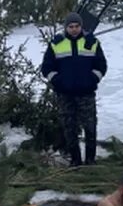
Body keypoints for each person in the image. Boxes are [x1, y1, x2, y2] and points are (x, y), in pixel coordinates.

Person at [41, 11, 107, 166]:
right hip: (65, 94)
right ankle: (75, 160)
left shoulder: (92, 42)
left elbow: (101, 65)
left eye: (77, 26)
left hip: (86, 93)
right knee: (69, 128)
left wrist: (92, 80)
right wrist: (57, 81)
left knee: (90, 127)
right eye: (71, 26)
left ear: (81, 26)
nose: (74, 29)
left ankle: (90, 159)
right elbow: (46, 67)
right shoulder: (56, 44)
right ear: (66, 28)